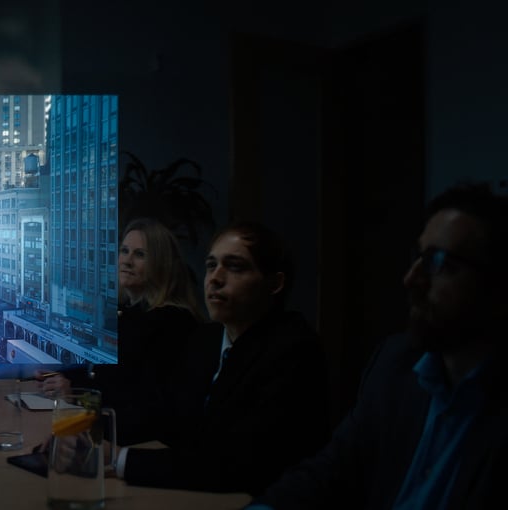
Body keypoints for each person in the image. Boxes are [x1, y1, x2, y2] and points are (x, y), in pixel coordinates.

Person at [250, 182, 508, 509]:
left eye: (440, 262)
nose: (411, 278)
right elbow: (328, 473)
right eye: (418, 257)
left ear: (500, 288)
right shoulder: (397, 364)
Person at [108, 221, 330, 494]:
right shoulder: (206, 339)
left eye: (234, 266)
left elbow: (235, 462)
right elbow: (164, 417)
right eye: (211, 265)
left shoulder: (294, 351)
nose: (215, 278)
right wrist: (88, 430)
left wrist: (116, 458)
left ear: (275, 283)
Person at [39, 218, 204, 411]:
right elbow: (102, 375)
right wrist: (60, 379)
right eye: (124, 251)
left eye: (140, 254)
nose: (127, 261)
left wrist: (75, 395)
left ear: (162, 264)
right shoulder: (129, 313)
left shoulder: (172, 322)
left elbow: (141, 399)